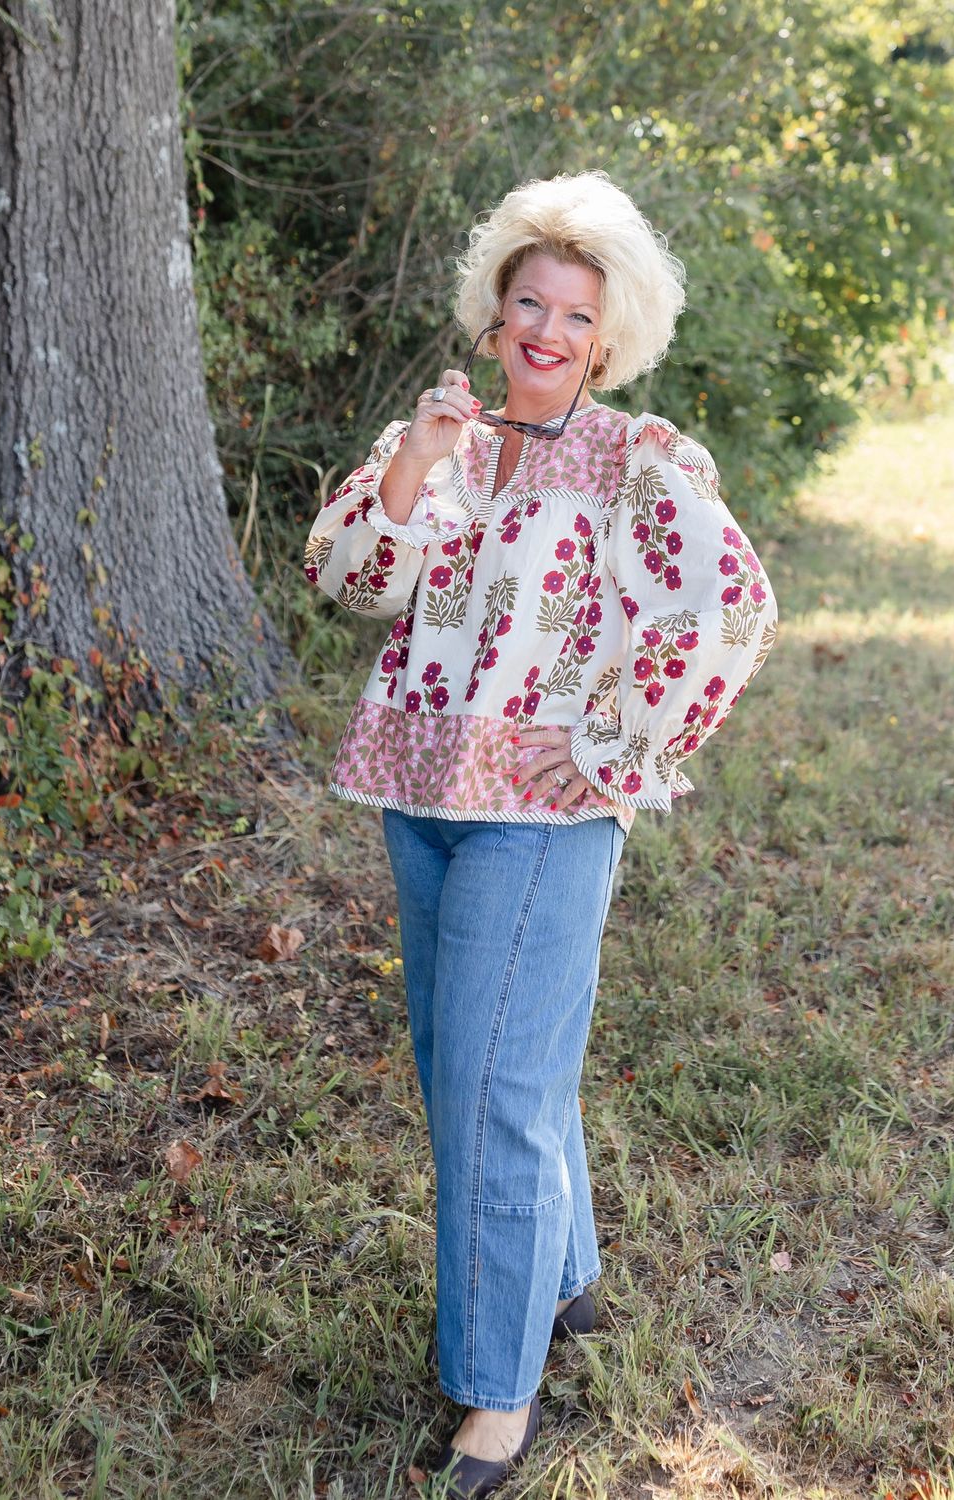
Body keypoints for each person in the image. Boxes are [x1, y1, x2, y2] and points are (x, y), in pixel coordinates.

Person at [304, 170, 778, 1497]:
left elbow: (730, 614)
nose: (548, 331)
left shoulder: (640, 465)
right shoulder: (448, 440)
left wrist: (605, 741)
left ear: (608, 336)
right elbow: (346, 579)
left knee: (490, 1093)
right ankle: (561, 1279)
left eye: (576, 314)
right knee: (471, 1058)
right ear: (495, 312)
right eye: (530, 303)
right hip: (420, 795)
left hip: (544, 818)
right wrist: (412, 463)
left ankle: (496, 1397)